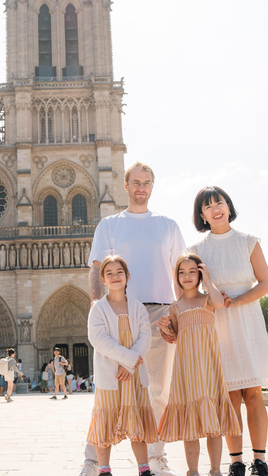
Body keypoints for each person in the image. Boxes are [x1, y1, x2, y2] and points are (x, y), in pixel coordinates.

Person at [82, 162, 186, 476]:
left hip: (160, 313)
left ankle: (155, 458)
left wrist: (178, 314)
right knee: (107, 391)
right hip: (119, 312)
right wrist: (96, 304)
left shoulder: (168, 225)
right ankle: (92, 461)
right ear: (126, 186)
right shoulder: (109, 224)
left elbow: (179, 272)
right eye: (136, 182)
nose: (142, 188)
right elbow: (96, 267)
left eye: (147, 183)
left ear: (152, 186)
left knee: (159, 391)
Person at [187, 187, 268, 476]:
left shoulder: (248, 242)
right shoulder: (196, 250)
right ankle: (236, 461)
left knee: (253, 393)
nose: (216, 209)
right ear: (202, 215)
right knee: (229, 398)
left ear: (228, 206)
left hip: (247, 319)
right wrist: (211, 301)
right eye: (208, 206)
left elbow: (266, 284)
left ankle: (259, 461)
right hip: (217, 323)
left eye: (220, 202)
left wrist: (237, 301)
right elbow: (191, 290)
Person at [157, 254, 241, 476]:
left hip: (209, 368)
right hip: (186, 370)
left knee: (214, 425)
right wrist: (164, 328)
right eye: (182, 272)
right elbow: (176, 336)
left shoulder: (207, 300)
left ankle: (215, 470)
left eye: (192, 271)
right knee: (190, 426)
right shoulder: (175, 307)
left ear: (200, 274)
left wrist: (209, 279)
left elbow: (220, 304)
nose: (187, 276)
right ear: (177, 277)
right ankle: (192, 471)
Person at [86, 255, 156, 476]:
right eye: (109, 273)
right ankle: (104, 470)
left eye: (119, 272)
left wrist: (130, 366)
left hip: (133, 374)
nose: (115, 276)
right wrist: (129, 360)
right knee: (105, 421)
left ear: (127, 276)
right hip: (111, 374)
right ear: (103, 280)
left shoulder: (137, 307)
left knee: (138, 421)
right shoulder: (98, 309)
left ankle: (144, 469)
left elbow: (145, 338)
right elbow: (99, 340)